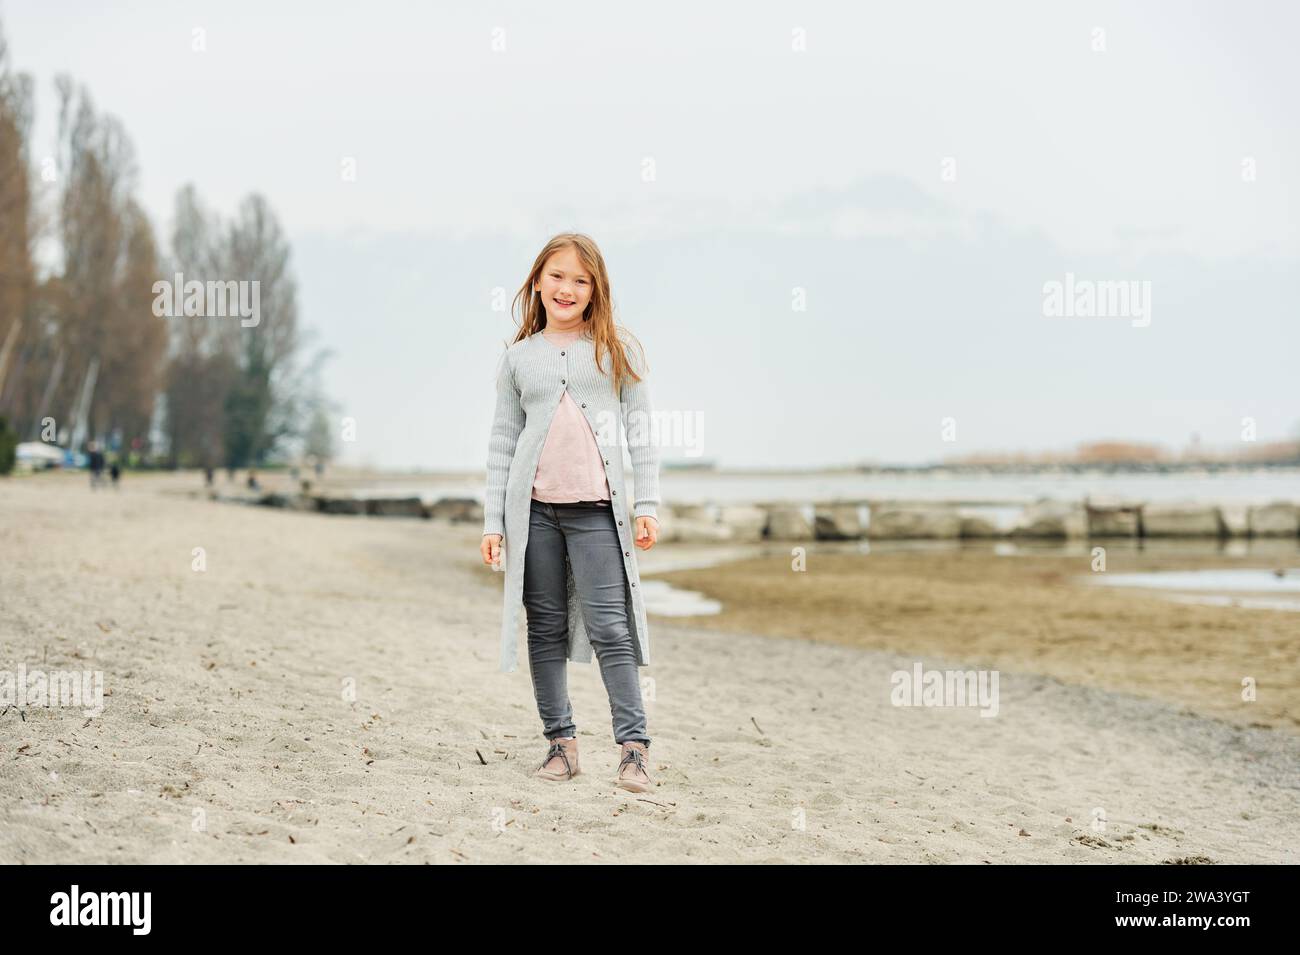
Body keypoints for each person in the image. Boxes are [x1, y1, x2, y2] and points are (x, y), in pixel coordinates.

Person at [479, 233, 661, 794]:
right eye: (557, 276)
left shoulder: (614, 349)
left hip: (597, 514)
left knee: (612, 627)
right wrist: (493, 521)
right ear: (538, 281)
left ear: (595, 290)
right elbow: (502, 443)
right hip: (533, 516)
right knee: (547, 629)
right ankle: (561, 744)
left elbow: (641, 433)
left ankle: (634, 749)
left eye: (581, 280)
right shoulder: (518, 358)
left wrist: (646, 505)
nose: (567, 288)